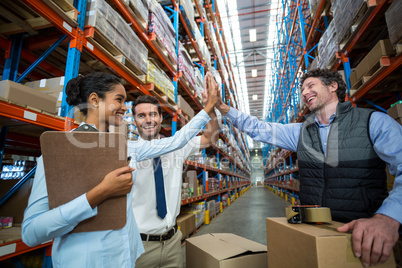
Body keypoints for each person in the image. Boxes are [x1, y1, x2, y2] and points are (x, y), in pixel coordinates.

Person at [21, 71, 219, 267]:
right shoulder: (59, 152)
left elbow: (177, 141)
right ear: (95, 100)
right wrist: (100, 193)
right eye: (119, 100)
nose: (125, 107)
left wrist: (209, 107)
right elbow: (31, 233)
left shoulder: (128, 148)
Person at [214, 68, 402, 267]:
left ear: (333, 86)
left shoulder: (372, 122)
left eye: (311, 86)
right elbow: (259, 129)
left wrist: (389, 218)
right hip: (314, 233)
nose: (304, 92)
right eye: (302, 89)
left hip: (362, 238)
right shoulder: (299, 133)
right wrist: (223, 107)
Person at [132, 72, 220, 268]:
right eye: (141, 115)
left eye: (153, 114)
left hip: (173, 242)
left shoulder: (176, 147)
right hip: (139, 245)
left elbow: (210, 137)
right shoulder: (129, 151)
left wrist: (212, 108)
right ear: (134, 121)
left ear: (160, 117)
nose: (148, 120)